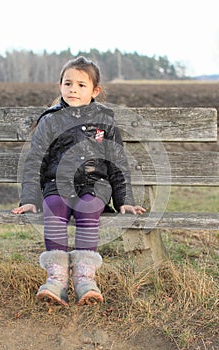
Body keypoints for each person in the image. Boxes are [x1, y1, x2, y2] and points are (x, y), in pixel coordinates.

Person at [12, 56, 146, 307]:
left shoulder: (105, 121)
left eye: (81, 85)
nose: (73, 89)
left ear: (95, 91)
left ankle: (85, 279)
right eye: (68, 83)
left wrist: (125, 200)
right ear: (60, 85)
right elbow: (35, 161)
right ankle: (56, 280)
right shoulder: (50, 120)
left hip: (95, 186)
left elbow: (117, 164)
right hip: (57, 184)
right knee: (54, 207)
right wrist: (30, 199)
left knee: (89, 208)